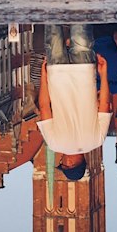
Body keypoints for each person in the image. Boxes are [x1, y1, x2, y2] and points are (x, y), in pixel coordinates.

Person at [37, 23, 112, 178]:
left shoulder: (97, 140)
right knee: (52, 25)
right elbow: (44, 107)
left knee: (80, 20)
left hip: (84, 71)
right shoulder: (54, 143)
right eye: (62, 162)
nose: (61, 159)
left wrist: (103, 74)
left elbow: (104, 105)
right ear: (70, 163)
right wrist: (43, 77)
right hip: (57, 74)